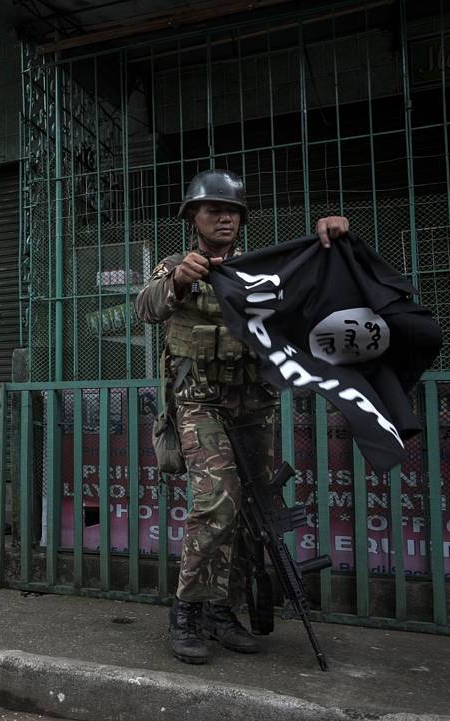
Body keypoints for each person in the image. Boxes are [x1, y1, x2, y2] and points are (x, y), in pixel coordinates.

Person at [134, 169, 349, 664]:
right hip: (200, 402)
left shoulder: (262, 269)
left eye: (232, 211)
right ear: (193, 217)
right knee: (216, 503)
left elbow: (311, 286)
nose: (225, 218)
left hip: (253, 405)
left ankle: (221, 611)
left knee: (253, 517)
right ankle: (187, 610)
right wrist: (180, 282)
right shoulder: (175, 266)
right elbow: (145, 309)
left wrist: (330, 241)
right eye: (214, 210)